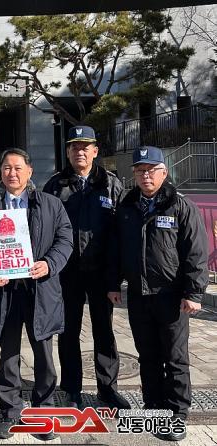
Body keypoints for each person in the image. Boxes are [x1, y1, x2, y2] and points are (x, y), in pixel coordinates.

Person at [108, 146, 208, 442]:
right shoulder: (127, 207)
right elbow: (117, 250)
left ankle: (177, 413)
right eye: (140, 170)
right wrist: (113, 283)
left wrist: (194, 292)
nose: (146, 175)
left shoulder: (180, 206)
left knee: (175, 357)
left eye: (152, 170)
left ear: (164, 173)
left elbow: (196, 252)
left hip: (171, 296)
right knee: (148, 356)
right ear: (134, 174)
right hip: (138, 295)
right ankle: (154, 407)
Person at [0, 148, 73, 441]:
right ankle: (10, 412)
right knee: (8, 355)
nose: (12, 173)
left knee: (44, 356)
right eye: (6, 168)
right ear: (0, 172)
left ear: (30, 171)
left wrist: (49, 263)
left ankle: (43, 412)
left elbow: (65, 239)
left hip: (40, 290)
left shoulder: (50, 204)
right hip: (5, 292)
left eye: (18, 168)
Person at [43, 126, 130, 410]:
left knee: (104, 331)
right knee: (68, 332)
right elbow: (45, 230)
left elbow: (120, 233)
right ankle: (71, 390)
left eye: (85, 147)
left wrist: (116, 277)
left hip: (101, 273)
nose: (79, 151)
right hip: (67, 273)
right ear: (68, 152)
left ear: (95, 151)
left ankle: (108, 389)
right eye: (74, 147)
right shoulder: (55, 186)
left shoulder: (111, 184)